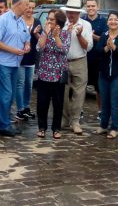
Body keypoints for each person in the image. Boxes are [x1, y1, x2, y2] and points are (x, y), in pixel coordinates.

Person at [0, 0, 30, 137]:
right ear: (19, 4)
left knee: (11, 94)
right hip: (2, 62)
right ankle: (4, 126)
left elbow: (27, 37)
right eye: (26, 4)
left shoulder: (21, 21)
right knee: (5, 94)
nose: (28, 8)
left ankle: (6, 122)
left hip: (15, 63)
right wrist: (13, 50)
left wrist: (27, 45)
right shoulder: (3, 20)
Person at [36, 9, 70, 139]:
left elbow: (64, 50)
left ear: (59, 22)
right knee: (42, 102)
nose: (48, 21)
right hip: (44, 72)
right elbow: (39, 48)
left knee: (58, 103)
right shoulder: (45, 32)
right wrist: (45, 33)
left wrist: (56, 37)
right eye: (48, 19)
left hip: (58, 74)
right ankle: (41, 128)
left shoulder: (66, 34)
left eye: (51, 19)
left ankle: (56, 129)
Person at [94, 11, 118, 139]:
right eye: (110, 19)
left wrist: (114, 47)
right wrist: (106, 48)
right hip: (104, 74)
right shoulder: (104, 35)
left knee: (115, 102)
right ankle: (103, 126)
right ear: (107, 21)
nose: (113, 22)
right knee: (105, 101)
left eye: (116, 19)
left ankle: (114, 128)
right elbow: (97, 51)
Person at [60, 0, 93, 134]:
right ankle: (63, 118)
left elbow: (88, 47)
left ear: (78, 13)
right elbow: (57, 43)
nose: (70, 15)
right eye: (69, 12)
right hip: (63, 61)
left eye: (73, 12)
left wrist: (79, 35)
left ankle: (75, 121)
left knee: (79, 93)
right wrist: (66, 33)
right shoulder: (61, 24)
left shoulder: (86, 25)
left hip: (80, 60)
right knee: (62, 91)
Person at [82, 0, 107, 121]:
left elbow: (105, 39)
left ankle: (101, 111)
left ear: (97, 7)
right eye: (88, 6)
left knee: (99, 88)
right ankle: (79, 110)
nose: (91, 8)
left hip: (98, 59)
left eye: (93, 6)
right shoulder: (81, 20)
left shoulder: (103, 21)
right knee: (81, 87)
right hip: (83, 58)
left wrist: (92, 36)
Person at [15, 0, 41, 121]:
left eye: (32, 8)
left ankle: (26, 107)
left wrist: (36, 34)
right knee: (20, 83)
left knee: (29, 84)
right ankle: (20, 109)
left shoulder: (37, 21)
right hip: (19, 56)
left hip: (31, 57)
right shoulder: (19, 21)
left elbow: (41, 41)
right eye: (28, 7)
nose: (30, 10)